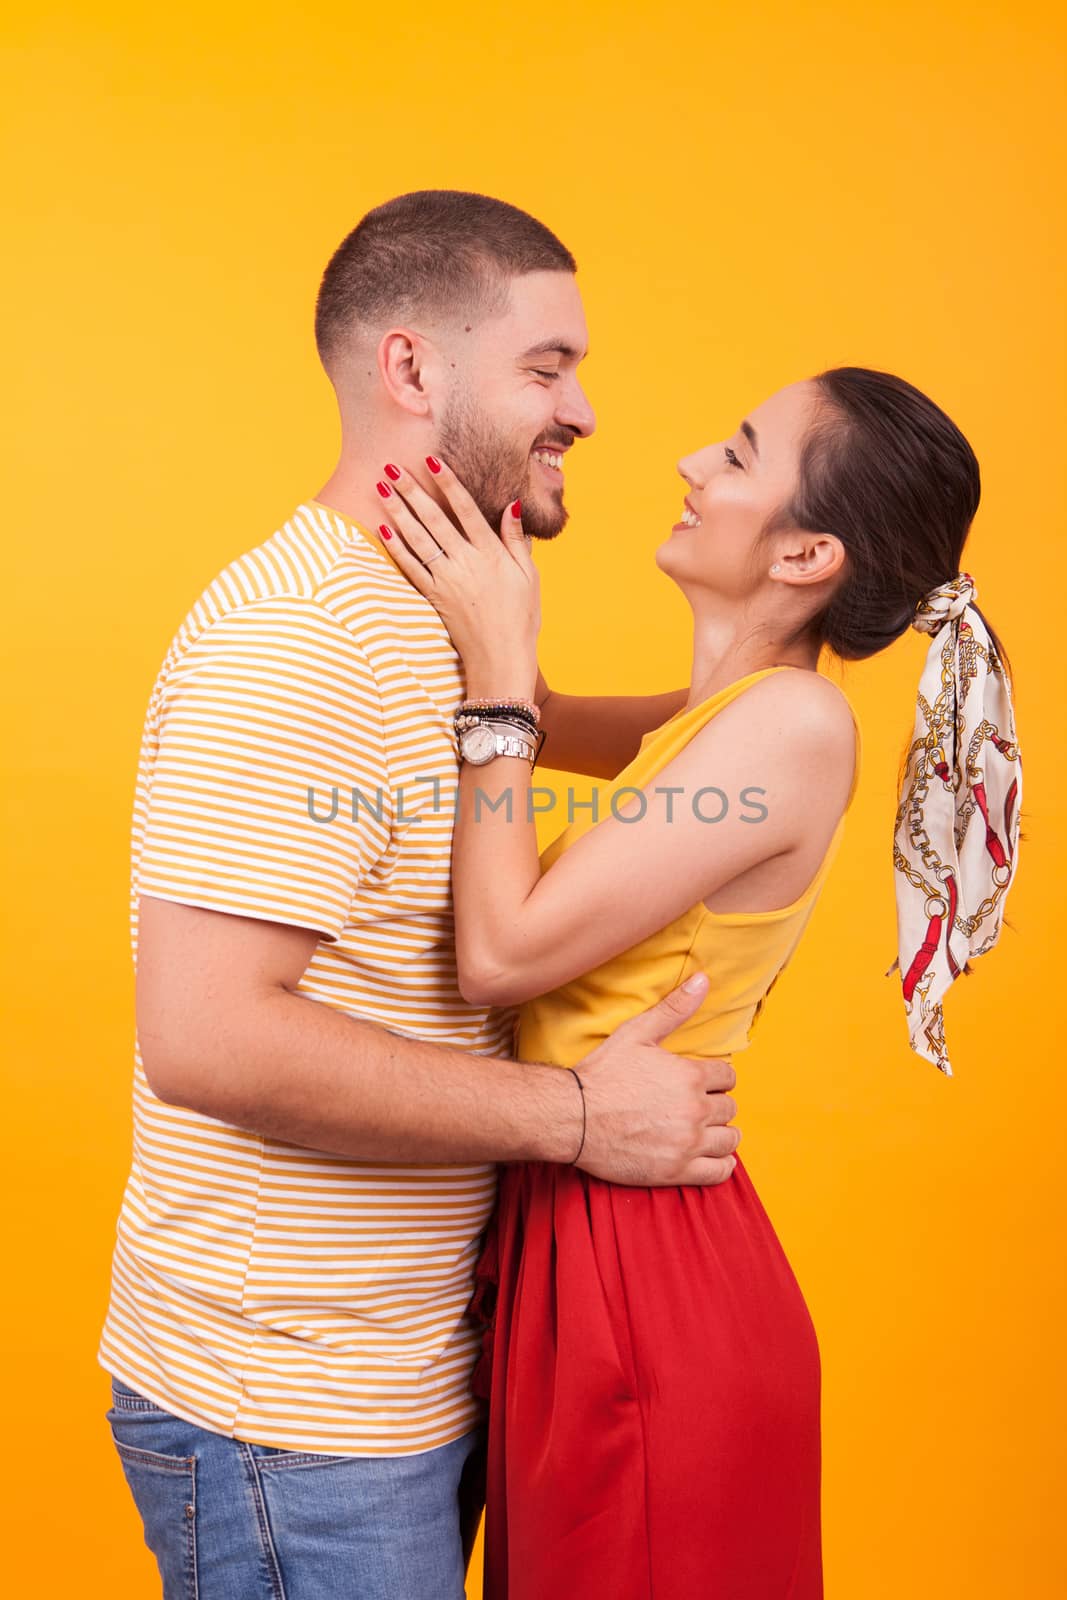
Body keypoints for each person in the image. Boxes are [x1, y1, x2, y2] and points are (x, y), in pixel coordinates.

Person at [98, 191, 743, 1600]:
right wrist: (581, 1120)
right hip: (292, 1418)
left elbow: (556, 720)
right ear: (410, 371)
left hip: (409, 1375)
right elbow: (209, 1037)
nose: (584, 409)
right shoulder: (303, 637)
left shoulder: (438, 604)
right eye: (546, 367)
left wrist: (779, 683)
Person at [378, 365, 1022, 1598]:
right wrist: (476, 568)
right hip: (586, 1225)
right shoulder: (715, 719)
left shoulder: (791, 729)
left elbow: (501, 951)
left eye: (734, 455)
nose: (686, 461)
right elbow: (539, 712)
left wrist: (501, 665)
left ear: (804, 555)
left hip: (641, 1261)